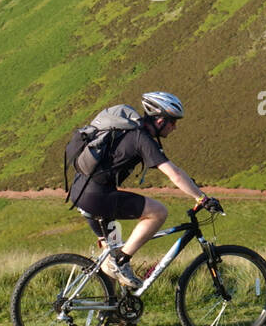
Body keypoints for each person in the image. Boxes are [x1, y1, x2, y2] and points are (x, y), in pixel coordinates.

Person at [69, 91, 221, 290]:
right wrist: (202, 198)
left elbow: (177, 173)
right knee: (158, 212)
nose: (175, 127)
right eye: (173, 122)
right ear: (159, 120)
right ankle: (121, 262)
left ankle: (110, 311)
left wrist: (192, 187)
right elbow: (173, 173)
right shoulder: (141, 138)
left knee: (111, 253)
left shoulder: (130, 133)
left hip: (80, 191)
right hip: (97, 197)